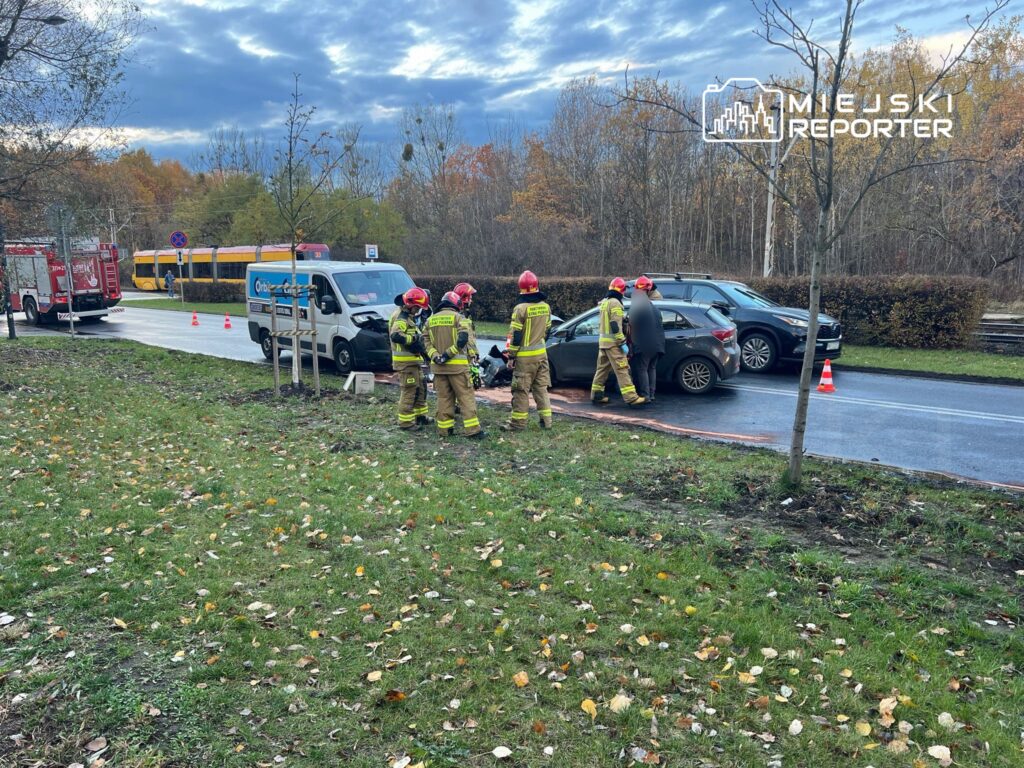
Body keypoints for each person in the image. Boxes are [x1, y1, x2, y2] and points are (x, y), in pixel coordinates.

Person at [426, 291, 485, 439]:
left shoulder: (430, 320)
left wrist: (437, 356)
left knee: (443, 399)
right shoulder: (459, 318)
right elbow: (464, 338)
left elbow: (425, 342)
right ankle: (473, 431)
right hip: (457, 368)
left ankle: (444, 431)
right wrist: (448, 354)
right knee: (466, 397)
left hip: (438, 368)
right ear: (456, 304)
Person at [504, 270, 553, 430]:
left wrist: (511, 356)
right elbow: (547, 330)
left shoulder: (520, 309)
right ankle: (546, 422)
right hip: (542, 355)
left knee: (521, 390)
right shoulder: (545, 307)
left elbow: (516, 335)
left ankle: (517, 424)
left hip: (525, 359)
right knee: (541, 389)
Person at [591, 277, 647, 407]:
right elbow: (615, 325)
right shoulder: (616, 303)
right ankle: (631, 398)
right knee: (622, 369)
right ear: (621, 290)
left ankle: (596, 396)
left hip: (603, 343)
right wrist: (622, 342)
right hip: (614, 344)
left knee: (601, 370)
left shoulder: (605, 302)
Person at [389, 287, 433, 429]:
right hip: (405, 363)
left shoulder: (407, 317)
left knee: (420, 387)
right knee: (409, 390)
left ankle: (420, 416)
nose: (418, 310)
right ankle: (406, 422)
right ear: (410, 305)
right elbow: (395, 335)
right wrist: (412, 339)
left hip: (412, 362)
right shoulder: (401, 318)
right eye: (418, 307)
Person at [628, 275, 665, 402]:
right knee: (651, 368)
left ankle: (645, 395)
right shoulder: (654, 307)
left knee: (642, 368)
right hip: (658, 344)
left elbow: (631, 322)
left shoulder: (639, 305)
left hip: (645, 344)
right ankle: (652, 394)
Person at [453, 282, 481, 388]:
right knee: (463, 387)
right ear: (464, 298)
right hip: (463, 359)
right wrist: (473, 355)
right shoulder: (460, 317)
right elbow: (466, 339)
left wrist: (475, 355)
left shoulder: (466, 316)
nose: (471, 300)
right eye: (470, 297)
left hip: (468, 358)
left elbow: (471, 339)